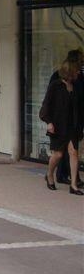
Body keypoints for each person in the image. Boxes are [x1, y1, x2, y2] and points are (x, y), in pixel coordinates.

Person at [40, 59, 83, 195]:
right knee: (58, 154)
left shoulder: (75, 86)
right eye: (76, 70)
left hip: (72, 126)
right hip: (58, 125)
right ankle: (49, 174)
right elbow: (46, 106)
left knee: (74, 153)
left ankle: (73, 185)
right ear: (70, 71)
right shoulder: (55, 86)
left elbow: (79, 107)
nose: (78, 72)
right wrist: (49, 122)